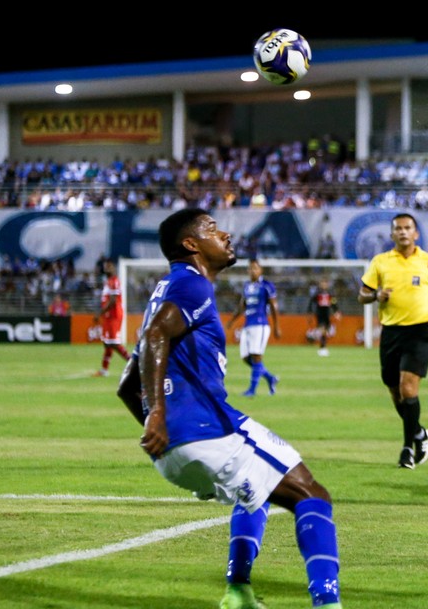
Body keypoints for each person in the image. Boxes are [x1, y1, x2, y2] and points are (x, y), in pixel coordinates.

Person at [120, 207, 342, 609]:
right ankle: (327, 602)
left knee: (253, 494)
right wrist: (158, 416)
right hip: (206, 430)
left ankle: (238, 592)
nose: (223, 234)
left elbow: (126, 385)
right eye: (211, 229)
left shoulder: (166, 289)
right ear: (191, 245)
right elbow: (156, 335)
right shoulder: (191, 285)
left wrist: (160, 431)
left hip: (172, 450)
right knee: (313, 495)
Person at [358, 213, 428, 470]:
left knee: (408, 389)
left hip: (419, 331)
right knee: (395, 391)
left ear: (416, 233)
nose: (403, 232)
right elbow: (362, 295)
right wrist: (376, 295)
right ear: (392, 234)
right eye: (398, 228)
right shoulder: (381, 262)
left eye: (408, 228)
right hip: (391, 333)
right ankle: (421, 433)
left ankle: (408, 448)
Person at [225, 258, 281, 397]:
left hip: (260, 324)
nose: (252, 271)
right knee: (245, 357)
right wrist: (232, 320)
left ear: (260, 270)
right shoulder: (246, 286)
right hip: (248, 324)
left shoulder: (266, 285)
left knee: (256, 356)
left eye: (255, 268)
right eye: (250, 268)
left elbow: (273, 305)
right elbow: (242, 306)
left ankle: (252, 390)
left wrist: (276, 326)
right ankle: (270, 378)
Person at [93, 259, 129, 377]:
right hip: (108, 316)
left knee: (113, 343)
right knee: (107, 343)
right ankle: (104, 370)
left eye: (109, 266)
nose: (106, 268)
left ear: (113, 268)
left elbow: (113, 301)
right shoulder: (108, 281)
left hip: (114, 315)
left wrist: (100, 313)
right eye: (105, 266)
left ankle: (134, 364)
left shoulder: (114, 281)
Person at [308, 278, 340, 357]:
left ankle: (323, 346)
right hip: (320, 313)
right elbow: (311, 302)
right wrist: (310, 312)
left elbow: (333, 302)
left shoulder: (330, 293)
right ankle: (322, 348)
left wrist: (336, 311)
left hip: (327, 313)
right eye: (323, 283)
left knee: (326, 331)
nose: (324, 285)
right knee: (322, 329)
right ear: (320, 284)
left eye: (325, 283)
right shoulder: (317, 293)